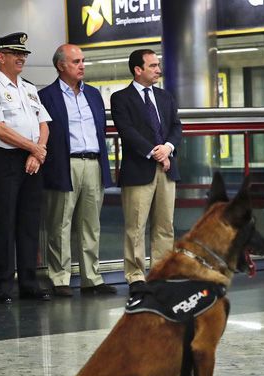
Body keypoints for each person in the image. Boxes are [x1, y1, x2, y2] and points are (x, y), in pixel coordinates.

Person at [0, 32, 51, 303]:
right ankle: (2, 286)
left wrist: (37, 153)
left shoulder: (29, 88)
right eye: (16, 54)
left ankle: (29, 282)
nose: (22, 58)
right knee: (4, 224)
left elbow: (43, 124)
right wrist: (34, 148)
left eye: (24, 54)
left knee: (29, 223)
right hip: (4, 160)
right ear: (0, 57)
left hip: (31, 159)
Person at [38, 44, 116, 298]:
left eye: (83, 60)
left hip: (93, 162)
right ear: (61, 65)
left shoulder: (92, 94)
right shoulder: (46, 96)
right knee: (60, 223)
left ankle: (91, 278)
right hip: (64, 164)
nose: (82, 65)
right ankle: (59, 278)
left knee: (90, 225)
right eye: (76, 61)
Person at [110, 49, 182, 289]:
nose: (158, 70)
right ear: (137, 70)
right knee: (136, 226)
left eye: (158, 65)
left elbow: (175, 127)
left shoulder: (165, 97)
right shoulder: (120, 98)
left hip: (167, 168)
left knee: (165, 225)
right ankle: (136, 275)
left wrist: (168, 148)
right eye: (152, 66)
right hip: (139, 169)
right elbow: (127, 131)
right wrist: (155, 152)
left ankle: (162, 272)